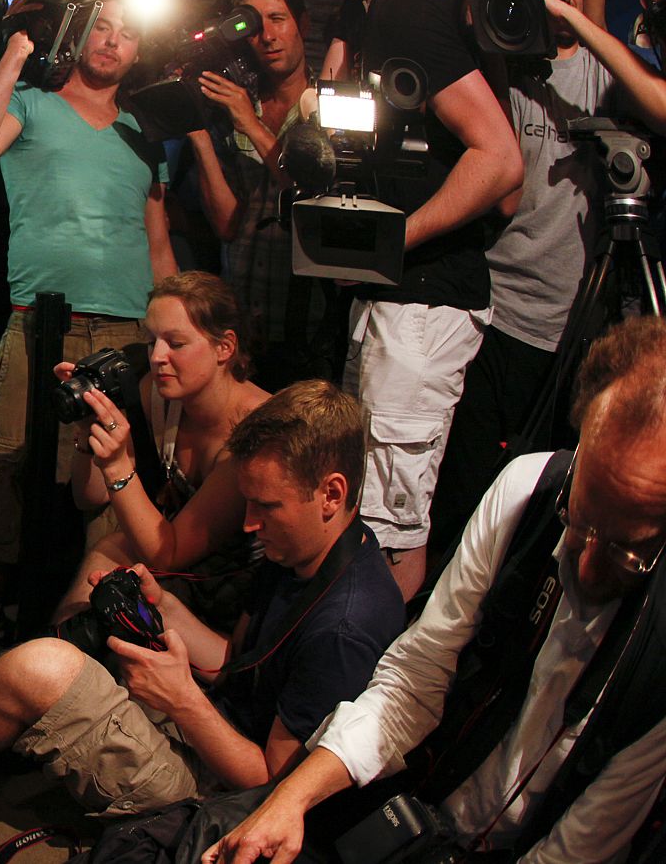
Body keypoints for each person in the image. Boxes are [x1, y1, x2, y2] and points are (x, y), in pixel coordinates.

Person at [206, 317, 666, 864]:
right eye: (580, 519)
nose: (587, 562)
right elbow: (417, 675)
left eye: (623, 547)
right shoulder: (528, 490)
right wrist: (292, 798)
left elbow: (579, 850)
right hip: (413, 811)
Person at [0, 381, 405, 818]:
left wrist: (183, 699)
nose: (251, 523)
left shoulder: (343, 627)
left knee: (44, 666)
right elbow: (237, 665)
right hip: (215, 725)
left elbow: (273, 784)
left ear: (331, 493)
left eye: (268, 507)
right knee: (99, 614)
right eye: (249, 503)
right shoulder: (308, 550)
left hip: (217, 793)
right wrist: (165, 610)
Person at [277, 0, 524, 599]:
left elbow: (501, 159)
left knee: (388, 530)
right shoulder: (371, 9)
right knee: (363, 511)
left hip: (424, 303)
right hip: (392, 301)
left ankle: (377, 698)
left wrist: (393, 240)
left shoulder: (411, 9)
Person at [0, 5, 178, 658]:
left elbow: (158, 245)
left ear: (136, 53)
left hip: (126, 330)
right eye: (104, 25)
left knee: (107, 475)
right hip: (39, 321)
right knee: (7, 458)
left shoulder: (140, 135)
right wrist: (17, 50)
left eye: (129, 32)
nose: (115, 40)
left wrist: (170, 334)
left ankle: (85, 621)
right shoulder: (34, 106)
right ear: (80, 33)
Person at [430, 0, 666, 585]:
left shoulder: (600, 74)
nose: (521, 13)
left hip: (562, 323)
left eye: (534, 2)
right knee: (465, 491)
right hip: (491, 311)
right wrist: (498, 53)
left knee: (533, 499)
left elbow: (660, 103)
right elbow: (503, 200)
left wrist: (580, 27)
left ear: (571, 0)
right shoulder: (500, 69)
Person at [55, 271, 271, 629]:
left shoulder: (253, 433)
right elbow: (89, 496)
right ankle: (60, 648)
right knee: (108, 546)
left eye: (176, 343)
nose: (157, 357)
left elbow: (168, 555)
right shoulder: (158, 396)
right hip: (182, 567)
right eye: (152, 340)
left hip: (238, 591)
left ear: (225, 347)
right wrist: (88, 428)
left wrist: (117, 465)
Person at [182, 0, 330, 388]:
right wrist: (200, 135)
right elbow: (229, 223)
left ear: (303, 24)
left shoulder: (327, 105)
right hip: (241, 327)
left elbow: (313, 195)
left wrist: (252, 124)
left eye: (278, 19)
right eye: (254, 25)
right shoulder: (235, 108)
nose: (267, 36)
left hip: (308, 330)